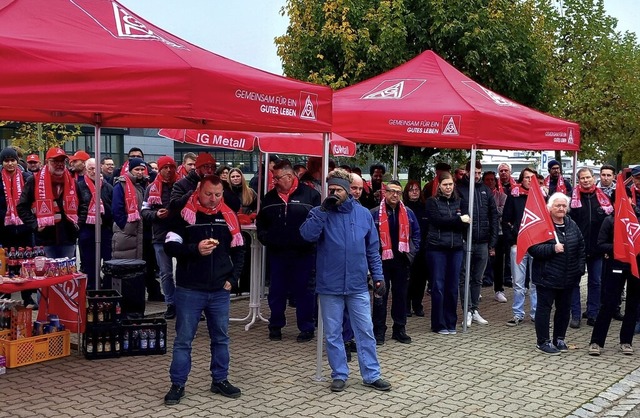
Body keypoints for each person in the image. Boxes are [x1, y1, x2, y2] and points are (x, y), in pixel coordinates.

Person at [300, 169, 391, 393]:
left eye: (338, 189)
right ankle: (339, 373)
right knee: (333, 333)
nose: (334, 193)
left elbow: (372, 250)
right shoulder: (319, 212)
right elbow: (306, 236)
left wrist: (378, 276)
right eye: (331, 189)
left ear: (348, 191)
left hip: (357, 285)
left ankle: (371, 374)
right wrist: (323, 211)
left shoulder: (363, 215)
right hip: (329, 286)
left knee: (365, 331)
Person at [163, 175, 245, 405]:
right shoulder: (184, 213)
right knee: (183, 340)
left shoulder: (228, 215)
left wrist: (233, 279)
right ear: (199, 190)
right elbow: (170, 247)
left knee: (221, 339)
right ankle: (177, 384)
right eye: (208, 194)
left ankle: (220, 380)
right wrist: (194, 249)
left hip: (220, 289)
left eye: (218, 195)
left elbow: (239, 250)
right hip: (190, 288)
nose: (213, 199)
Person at [256, 160, 320, 342]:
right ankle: (275, 325)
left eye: (277, 177)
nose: (274, 181)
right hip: (277, 253)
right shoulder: (269, 198)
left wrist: (308, 241)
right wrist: (266, 238)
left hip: (304, 253)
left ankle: (307, 327)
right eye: (273, 177)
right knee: (276, 290)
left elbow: (318, 223)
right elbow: (261, 223)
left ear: (290, 176)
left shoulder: (311, 195)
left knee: (305, 291)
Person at [528, 192, 585, 355]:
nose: (561, 208)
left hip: (569, 277)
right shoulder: (542, 226)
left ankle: (559, 338)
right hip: (547, 277)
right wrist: (552, 248)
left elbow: (581, 246)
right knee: (544, 309)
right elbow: (533, 248)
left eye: (563, 205)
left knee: (564, 309)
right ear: (549, 207)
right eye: (557, 205)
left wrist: (580, 269)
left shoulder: (571, 224)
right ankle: (542, 341)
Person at [370, 180, 420, 345]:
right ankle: (379, 330)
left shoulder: (409, 213)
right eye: (391, 191)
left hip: (401, 261)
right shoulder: (375, 213)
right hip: (381, 261)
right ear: (385, 192)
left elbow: (417, 234)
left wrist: (411, 253)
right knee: (380, 297)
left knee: (400, 296)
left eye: (398, 192)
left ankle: (399, 329)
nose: (395, 195)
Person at [18, 147, 87, 259]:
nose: (59, 164)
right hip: (44, 240)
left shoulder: (72, 182)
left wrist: (78, 224)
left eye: (62, 161)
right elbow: (22, 207)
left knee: (67, 274)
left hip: (68, 239)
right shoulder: (34, 181)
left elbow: (83, 205)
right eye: (55, 161)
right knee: (46, 274)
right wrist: (34, 225)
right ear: (47, 162)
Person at [589, 211, 640, 356]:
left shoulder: (637, 219)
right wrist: (619, 246)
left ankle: (626, 342)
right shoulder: (609, 220)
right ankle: (596, 342)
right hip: (615, 265)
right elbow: (601, 244)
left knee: (633, 304)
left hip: (636, 266)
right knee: (609, 303)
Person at [426, 171, 470, 334]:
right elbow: (437, 221)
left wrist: (458, 222)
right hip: (437, 248)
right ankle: (438, 323)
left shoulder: (461, 202)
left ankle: (451, 322)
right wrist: (458, 220)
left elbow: (466, 224)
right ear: (439, 186)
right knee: (438, 286)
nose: (448, 187)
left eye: (450, 184)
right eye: (445, 184)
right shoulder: (432, 202)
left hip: (456, 248)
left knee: (452, 287)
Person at [569, 167, 612, 328]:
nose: (585, 180)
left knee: (596, 282)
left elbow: (609, 227)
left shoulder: (604, 198)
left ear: (593, 178)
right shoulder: (572, 200)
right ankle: (575, 315)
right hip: (577, 249)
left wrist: (607, 247)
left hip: (597, 249)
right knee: (574, 283)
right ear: (578, 180)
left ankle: (593, 314)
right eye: (582, 178)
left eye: (588, 177)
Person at [456, 161, 498, 327]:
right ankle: (466, 310)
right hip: (466, 240)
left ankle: (474, 309)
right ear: (467, 172)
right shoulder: (459, 189)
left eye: (479, 173)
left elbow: (493, 216)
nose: (478, 176)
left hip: (482, 241)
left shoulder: (485, 191)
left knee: (477, 278)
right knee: (464, 277)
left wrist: (492, 241)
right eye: (474, 172)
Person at [142, 156, 178, 319]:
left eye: (171, 167)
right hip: (160, 236)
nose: (169, 170)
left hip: (180, 234)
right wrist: (156, 214)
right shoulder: (151, 188)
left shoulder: (180, 185)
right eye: (165, 167)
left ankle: (187, 304)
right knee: (166, 273)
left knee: (185, 272)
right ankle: (171, 304)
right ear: (160, 169)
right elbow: (144, 212)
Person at [503, 167, 538, 326]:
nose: (530, 180)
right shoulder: (514, 196)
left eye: (532, 177)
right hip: (518, 244)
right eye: (527, 177)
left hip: (537, 245)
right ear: (521, 180)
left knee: (536, 282)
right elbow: (506, 220)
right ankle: (518, 314)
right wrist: (513, 240)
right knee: (518, 282)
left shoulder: (541, 196)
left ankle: (536, 314)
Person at [0, 147, 35, 306]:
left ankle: (27, 297)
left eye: (12, 160)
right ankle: (4, 296)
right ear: (2, 163)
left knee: (26, 264)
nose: (10, 164)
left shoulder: (27, 178)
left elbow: (32, 202)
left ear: (17, 161)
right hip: (4, 228)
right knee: (5, 264)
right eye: (6, 161)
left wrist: (30, 222)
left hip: (24, 228)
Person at [77, 158, 113, 290]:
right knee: (89, 263)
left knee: (108, 261)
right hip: (87, 230)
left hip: (105, 229)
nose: (93, 171)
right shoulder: (79, 186)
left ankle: (108, 290)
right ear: (86, 170)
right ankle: (91, 291)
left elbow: (112, 207)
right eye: (90, 169)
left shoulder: (107, 186)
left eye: (95, 168)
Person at [170, 152, 241, 214]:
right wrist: (193, 193)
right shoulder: (182, 184)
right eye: (206, 167)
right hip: (191, 226)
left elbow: (235, 206)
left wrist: (221, 191)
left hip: (215, 224)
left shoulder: (220, 183)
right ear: (197, 168)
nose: (210, 171)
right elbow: (174, 207)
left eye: (212, 167)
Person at [111, 157, 146, 260]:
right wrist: (125, 225)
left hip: (138, 230)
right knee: (124, 261)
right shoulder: (121, 184)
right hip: (126, 231)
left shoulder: (142, 185)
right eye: (137, 169)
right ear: (130, 170)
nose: (140, 172)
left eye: (142, 169)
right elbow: (117, 208)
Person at [403, 180, 429, 317]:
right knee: (408, 279)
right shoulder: (403, 208)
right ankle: (406, 305)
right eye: (411, 190)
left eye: (417, 190)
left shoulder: (425, 207)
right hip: (407, 250)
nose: (414, 192)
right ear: (407, 193)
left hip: (423, 249)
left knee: (420, 279)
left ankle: (417, 304)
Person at [482, 171, 508, 302]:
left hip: (499, 233)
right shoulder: (479, 195)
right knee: (480, 262)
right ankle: (477, 290)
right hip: (482, 232)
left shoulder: (502, 196)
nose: (490, 182)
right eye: (487, 180)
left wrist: (487, 209)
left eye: (492, 179)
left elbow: (501, 212)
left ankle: (499, 290)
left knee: (498, 264)